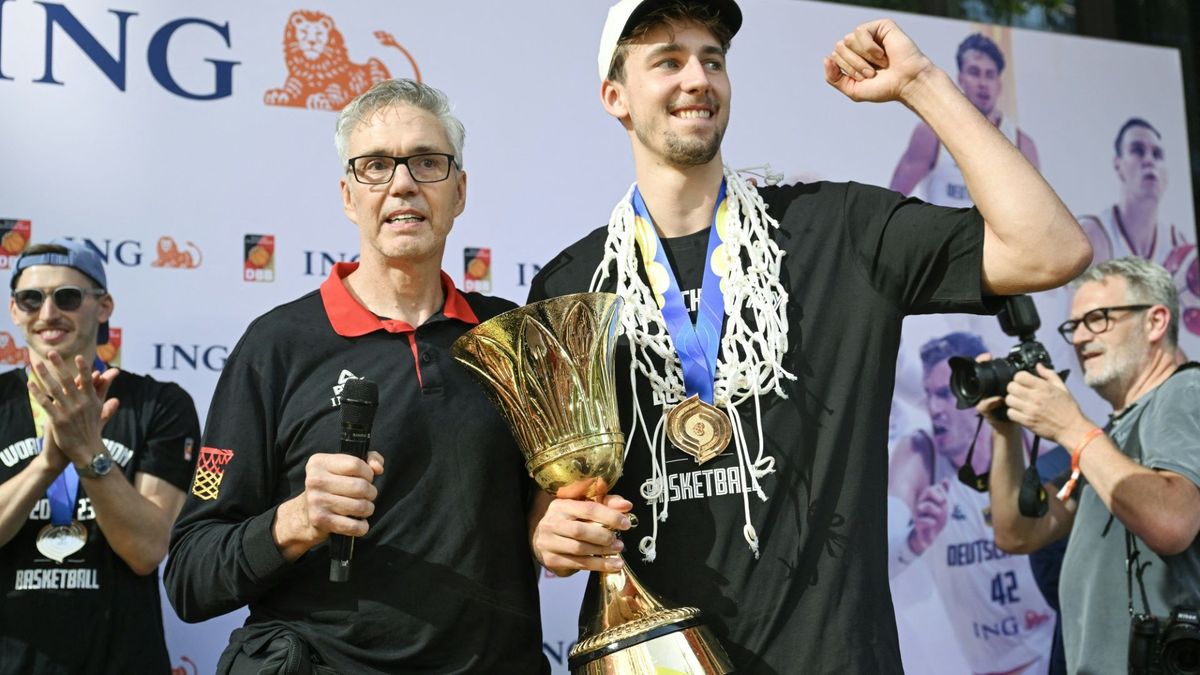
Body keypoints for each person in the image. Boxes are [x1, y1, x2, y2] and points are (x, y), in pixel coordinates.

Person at [526, 0, 1092, 671]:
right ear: (615, 96)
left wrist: (922, 85)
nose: (697, 78)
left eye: (712, 59)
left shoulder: (838, 230)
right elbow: (552, 499)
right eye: (668, 61)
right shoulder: (570, 287)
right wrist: (549, 532)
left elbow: (1051, 248)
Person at [164, 79, 548, 674]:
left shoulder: (514, 338)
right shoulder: (273, 348)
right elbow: (190, 571)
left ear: (459, 190)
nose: (402, 183)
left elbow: (544, 515)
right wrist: (297, 520)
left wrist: (561, 521)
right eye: (375, 166)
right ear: (348, 195)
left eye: (427, 162)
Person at [981, 256, 1200, 674]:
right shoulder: (1112, 440)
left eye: (1098, 319)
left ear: (1155, 322)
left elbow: (1173, 521)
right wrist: (1004, 430)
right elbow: (1018, 534)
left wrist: (1070, 427)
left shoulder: (1184, 391)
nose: (1080, 338)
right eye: (1073, 326)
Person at [0, 240, 201, 674]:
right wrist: (47, 464)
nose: (48, 313)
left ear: (104, 306)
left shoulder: (159, 404)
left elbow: (147, 550)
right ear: (14, 311)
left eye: (67, 297)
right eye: (30, 299)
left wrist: (89, 451)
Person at [888, 332, 1055, 675]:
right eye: (928, 396)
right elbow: (879, 555)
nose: (933, 409)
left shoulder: (1033, 444)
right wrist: (912, 542)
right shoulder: (922, 454)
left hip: (1050, 654)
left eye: (943, 395)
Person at [1077, 118, 1199, 339]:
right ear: (1118, 164)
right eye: (1137, 150)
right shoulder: (1093, 236)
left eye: (1157, 155)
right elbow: (1080, 327)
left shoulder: (1177, 242)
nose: (1149, 161)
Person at [890, 32, 1040, 206]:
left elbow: (1036, 215)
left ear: (999, 83)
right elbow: (892, 200)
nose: (982, 83)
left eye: (989, 74)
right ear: (960, 78)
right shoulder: (931, 134)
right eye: (974, 72)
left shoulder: (1022, 144)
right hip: (942, 232)